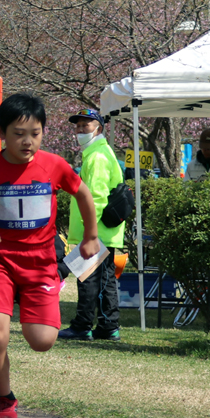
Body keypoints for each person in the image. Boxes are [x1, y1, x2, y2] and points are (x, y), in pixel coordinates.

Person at [0, 93, 101, 418]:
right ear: (1, 133)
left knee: (42, 341)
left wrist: (90, 236)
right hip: (0, 262)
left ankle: (38, 313)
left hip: (41, 263)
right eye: (18, 133)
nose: (27, 141)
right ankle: (4, 398)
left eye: (35, 133)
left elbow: (83, 194)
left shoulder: (54, 165)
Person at [58, 108, 126, 341]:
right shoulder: (99, 153)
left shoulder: (97, 157)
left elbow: (96, 197)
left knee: (88, 279)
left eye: (85, 125)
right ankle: (108, 326)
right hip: (102, 231)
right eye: (77, 126)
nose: (80, 130)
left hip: (96, 232)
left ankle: (83, 325)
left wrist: (90, 232)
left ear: (99, 127)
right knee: (104, 281)